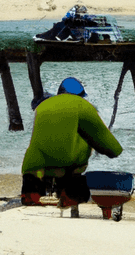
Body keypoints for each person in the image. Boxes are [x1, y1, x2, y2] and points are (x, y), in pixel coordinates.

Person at [21, 77, 122, 208]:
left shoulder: (42, 106)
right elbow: (108, 143)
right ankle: (68, 197)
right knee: (81, 191)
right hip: (66, 169)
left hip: (34, 169)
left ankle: (30, 194)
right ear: (81, 95)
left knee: (37, 166)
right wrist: (115, 152)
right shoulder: (83, 106)